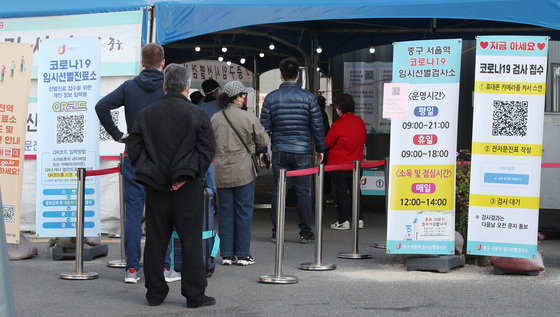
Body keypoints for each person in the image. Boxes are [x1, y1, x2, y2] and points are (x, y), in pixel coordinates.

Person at [127, 63, 216, 308]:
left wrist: (154, 175)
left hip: (156, 188)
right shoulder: (198, 114)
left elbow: (134, 148)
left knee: (156, 239)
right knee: (191, 241)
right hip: (188, 189)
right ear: (187, 86)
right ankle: (195, 295)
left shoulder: (146, 114)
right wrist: (184, 176)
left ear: (165, 86)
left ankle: (155, 293)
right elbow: (207, 150)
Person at [95, 43, 179, 284]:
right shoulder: (167, 88)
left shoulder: (129, 87)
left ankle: (132, 269)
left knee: (133, 213)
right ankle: (164, 267)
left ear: (141, 63)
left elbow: (101, 106)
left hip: (133, 155)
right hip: (162, 157)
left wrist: (118, 134)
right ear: (162, 63)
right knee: (161, 213)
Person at [260, 57, 326, 244]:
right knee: (303, 192)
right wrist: (320, 148)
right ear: (298, 75)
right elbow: (317, 126)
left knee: (277, 191)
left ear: (281, 76)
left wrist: (263, 149)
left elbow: (264, 127)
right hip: (303, 151)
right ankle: (305, 233)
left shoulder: (271, 98)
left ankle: (276, 232)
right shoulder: (308, 98)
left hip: (279, 150)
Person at [211, 81, 269, 266]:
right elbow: (263, 138)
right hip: (244, 170)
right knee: (243, 211)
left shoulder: (215, 118)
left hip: (221, 170)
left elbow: (209, 142)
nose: (245, 98)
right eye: (243, 95)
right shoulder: (248, 117)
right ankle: (243, 254)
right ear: (237, 97)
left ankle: (227, 254)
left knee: (225, 212)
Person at [325, 93, 367, 230]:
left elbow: (327, 142)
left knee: (341, 193)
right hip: (356, 164)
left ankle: (343, 220)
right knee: (356, 192)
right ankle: (358, 218)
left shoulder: (339, 124)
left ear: (339, 108)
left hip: (339, 164)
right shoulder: (360, 122)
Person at [199, 78, 221, 194]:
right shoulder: (220, 107)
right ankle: (214, 201)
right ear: (216, 91)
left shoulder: (199, 107)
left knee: (205, 176)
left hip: (202, 145)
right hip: (217, 146)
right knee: (215, 177)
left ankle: (207, 204)